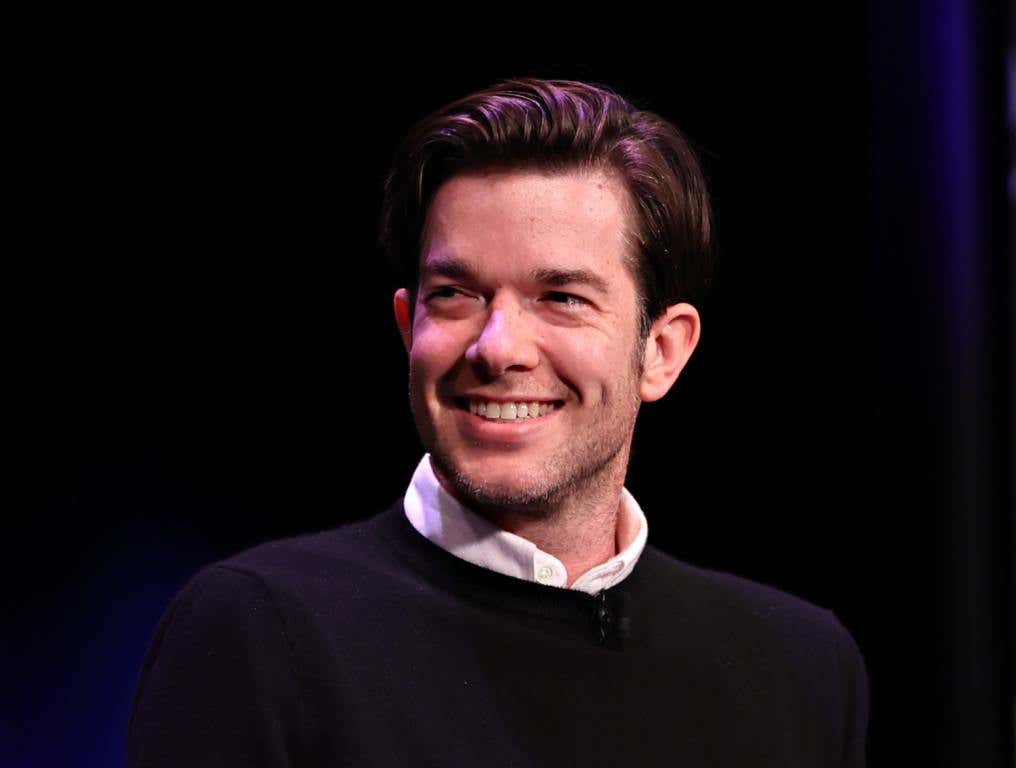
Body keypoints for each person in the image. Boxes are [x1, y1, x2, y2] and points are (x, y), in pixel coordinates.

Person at [128, 78, 869, 767]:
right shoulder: (260, 633)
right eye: (455, 294)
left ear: (661, 351)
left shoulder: (797, 668)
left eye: (563, 297)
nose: (498, 348)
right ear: (405, 325)